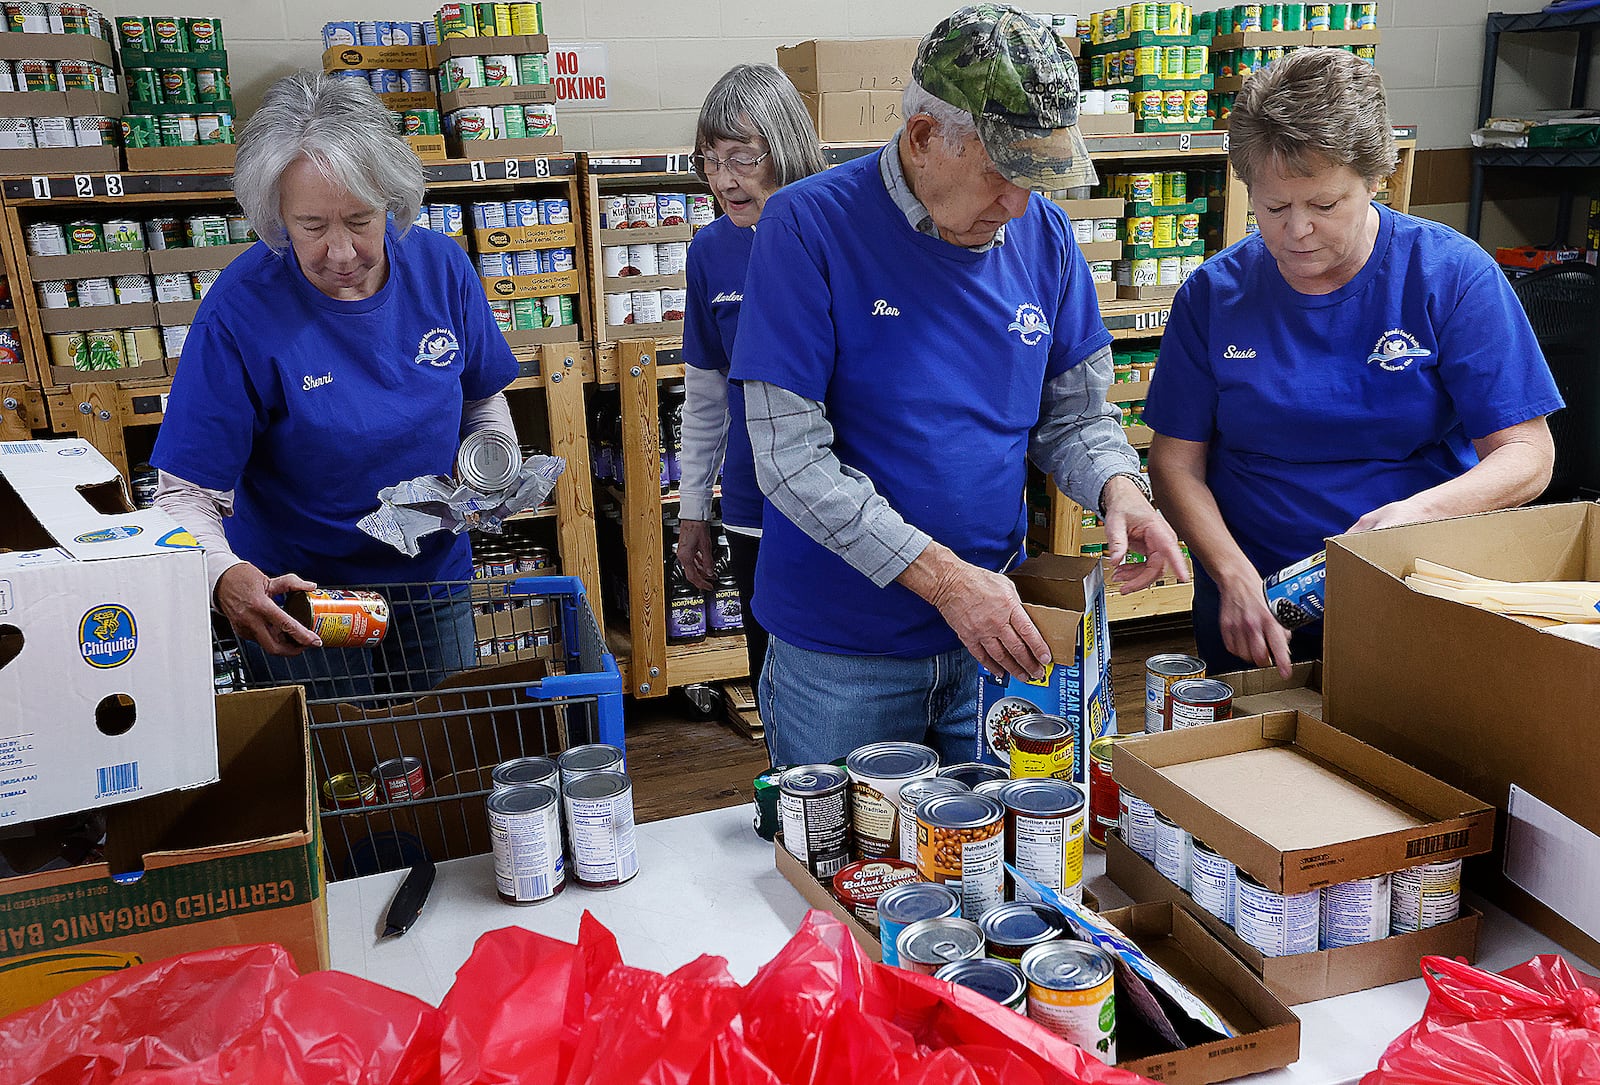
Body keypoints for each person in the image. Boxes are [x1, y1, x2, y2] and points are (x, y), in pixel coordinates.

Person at [730, 5, 1185, 767]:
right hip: (845, 659)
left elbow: (1075, 418)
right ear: (922, 139)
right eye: (1003, 174)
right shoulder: (806, 228)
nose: (1019, 204)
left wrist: (1120, 488)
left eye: (1037, 179)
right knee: (847, 876)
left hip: (995, 646)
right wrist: (945, 582)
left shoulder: (1045, 237)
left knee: (997, 863)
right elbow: (790, 459)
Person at [1145, 48, 1561, 678]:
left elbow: (1528, 456)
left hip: (1408, 585)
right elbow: (1176, 463)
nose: (1297, 231)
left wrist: (1415, 514)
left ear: (1375, 180)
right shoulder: (1213, 295)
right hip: (1253, 603)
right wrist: (1232, 574)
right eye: (1274, 208)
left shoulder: (1450, 276)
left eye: (1325, 205)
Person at [152, 71, 519, 698]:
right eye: (313, 226)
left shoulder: (441, 268)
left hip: (431, 580)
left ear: (393, 203)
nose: (343, 252)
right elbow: (183, 496)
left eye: (360, 219)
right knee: (342, 772)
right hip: (303, 598)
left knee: (449, 757)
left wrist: (494, 472)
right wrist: (226, 578)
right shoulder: (239, 311)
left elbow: (482, 398)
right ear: (276, 219)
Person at [676, 64, 825, 690]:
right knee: (774, 680)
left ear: (784, 149)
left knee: (844, 680)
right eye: (710, 161)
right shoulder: (710, 251)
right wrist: (692, 510)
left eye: (742, 157)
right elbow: (707, 395)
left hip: (846, 503)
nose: (723, 181)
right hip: (753, 504)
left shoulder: (837, 232)